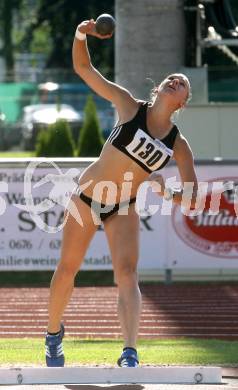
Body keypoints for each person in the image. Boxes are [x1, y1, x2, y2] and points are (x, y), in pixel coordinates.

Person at [45, 18, 198, 368]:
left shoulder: (179, 146)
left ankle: (129, 350)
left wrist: (168, 190)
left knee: (127, 273)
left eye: (183, 84)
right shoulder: (130, 106)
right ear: (159, 88)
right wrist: (81, 33)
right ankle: (53, 334)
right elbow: (84, 68)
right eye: (172, 79)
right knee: (68, 268)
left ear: (183, 103)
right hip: (87, 197)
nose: (176, 81)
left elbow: (191, 199)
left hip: (124, 204)